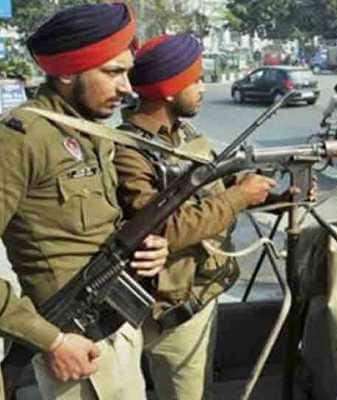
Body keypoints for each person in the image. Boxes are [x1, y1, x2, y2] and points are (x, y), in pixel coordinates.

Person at [0, 4, 171, 399]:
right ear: (65, 72)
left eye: (127, 72)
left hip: (118, 328)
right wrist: (51, 341)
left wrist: (148, 249)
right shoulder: (22, 138)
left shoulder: (89, 132)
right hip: (75, 347)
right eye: (112, 72)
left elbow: (99, 228)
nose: (127, 87)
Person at [113, 33, 277, 400]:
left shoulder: (185, 135)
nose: (203, 87)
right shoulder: (129, 150)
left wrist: (279, 195)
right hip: (168, 314)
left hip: (201, 295)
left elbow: (227, 185)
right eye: (196, 79)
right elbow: (162, 227)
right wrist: (240, 196)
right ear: (169, 89)